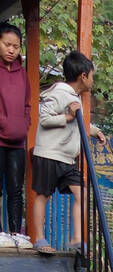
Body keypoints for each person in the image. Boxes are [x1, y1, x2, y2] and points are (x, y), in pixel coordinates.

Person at [31, 50, 105, 256]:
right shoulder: (58, 92)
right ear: (83, 76)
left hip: (67, 158)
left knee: (81, 193)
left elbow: (77, 121)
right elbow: (44, 118)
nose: (92, 80)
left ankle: (76, 239)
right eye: (92, 76)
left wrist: (95, 131)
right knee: (43, 195)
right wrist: (68, 116)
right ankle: (39, 238)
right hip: (48, 154)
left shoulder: (74, 97)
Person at [0, 21, 32, 249]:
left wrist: (24, 124)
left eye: (16, 46)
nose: (11, 50)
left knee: (15, 189)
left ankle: (15, 233)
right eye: (7, 44)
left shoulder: (23, 74)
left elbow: (27, 105)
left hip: (17, 141)